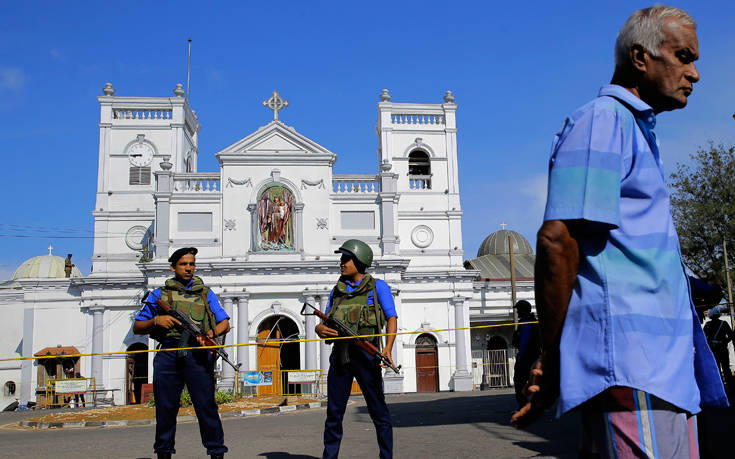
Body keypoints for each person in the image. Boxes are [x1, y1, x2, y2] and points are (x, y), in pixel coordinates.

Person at [510, 6, 728, 457]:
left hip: (660, 374)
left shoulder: (635, 128)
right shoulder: (603, 120)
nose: (695, 73)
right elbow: (558, 239)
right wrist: (550, 358)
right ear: (640, 57)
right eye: (683, 56)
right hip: (632, 369)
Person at [134, 247, 230, 459]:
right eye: (183, 264)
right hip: (169, 353)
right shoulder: (161, 294)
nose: (189, 268)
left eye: (192, 264)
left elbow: (225, 323)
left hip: (198, 355)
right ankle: (164, 452)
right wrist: (156, 321)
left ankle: (216, 451)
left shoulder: (205, 293)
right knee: (166, 408)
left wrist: (209, 334)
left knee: (206, 406)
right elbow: (138, 327)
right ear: (173, 267)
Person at [315, 239, 397, 459]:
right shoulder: (337, 291)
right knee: (334, 412)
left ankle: (386, 456)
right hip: (341, 354)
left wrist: (388, 348)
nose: (341, 263)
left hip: (367, 354)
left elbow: (391, 318)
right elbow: (326, 320)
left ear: (360, 260)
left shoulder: (377, 287)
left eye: (346, 259)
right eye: (341, 259)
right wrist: (319, 328)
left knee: (378, 410)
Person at [511, 300, 540, 408]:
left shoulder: (526, 322)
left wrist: (521, 357)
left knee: (519, 381)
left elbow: (525, 341)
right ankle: (536, 405)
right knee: (534, 381)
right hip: (534, 356)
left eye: (518, 310)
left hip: (527, 357)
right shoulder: (532, 321)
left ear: (523, 310)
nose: (517, 312)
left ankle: (523, 405)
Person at [703, 307, 734, 391]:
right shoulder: (724, 324)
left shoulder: (707, 325)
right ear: (718, 314)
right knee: (726, 369)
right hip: (723, 349)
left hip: (713, 350)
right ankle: (731, 388)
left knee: (716, 369)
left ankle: (719, 389)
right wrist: (725, 342)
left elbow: (703, 339)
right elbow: (731, 335)